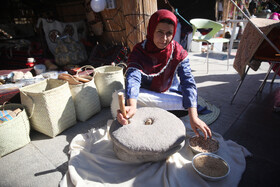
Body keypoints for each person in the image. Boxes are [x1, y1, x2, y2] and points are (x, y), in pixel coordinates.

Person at [117, 9, 212, 139]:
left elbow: (188, 83)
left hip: (168, 96)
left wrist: (193, 117)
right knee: (120, 99)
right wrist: (132, 105)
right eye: (160, 32)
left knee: (188, 103)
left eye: (169, 33)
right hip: (146, 95)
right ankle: (138, 111)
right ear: (151, 30)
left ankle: (144, 114)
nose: (164, 38)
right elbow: (133, 77)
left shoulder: (177, 51)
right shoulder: (140, 51)